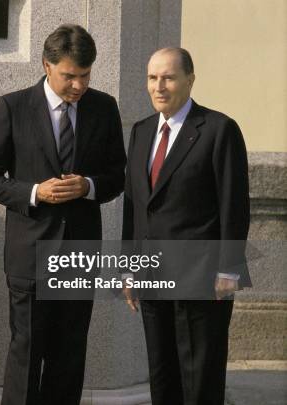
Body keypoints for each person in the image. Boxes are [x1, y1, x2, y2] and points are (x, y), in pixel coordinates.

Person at [0, 24, 126, 405]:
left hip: (79, 253)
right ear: (47, 65)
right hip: (30, 255)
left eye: (86, 75)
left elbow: (117, 176)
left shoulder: (104, 107)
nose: (79, 85)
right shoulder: (12, 106)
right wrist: (34, 192)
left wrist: (88, 186)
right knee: (26, 354)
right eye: (70, 76)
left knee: (69, 357)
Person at [121, 47, 251, 405]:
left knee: (200, 380)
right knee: (162, 376)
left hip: (202, 279)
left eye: (168, 77)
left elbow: (234, 205)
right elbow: (134, 206)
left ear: (190, 80)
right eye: (152, 77)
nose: (158, 86)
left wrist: (229, 268)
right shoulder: (141, 131)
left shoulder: (219, 129)